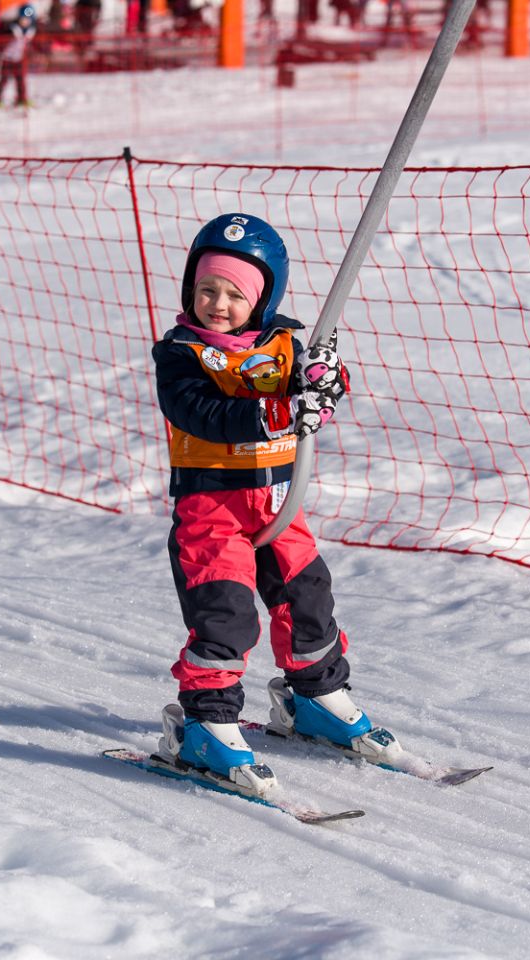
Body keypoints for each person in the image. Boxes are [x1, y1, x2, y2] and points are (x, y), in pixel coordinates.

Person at [150, 213, 397, 795]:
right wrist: (279, 412)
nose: (218, 304)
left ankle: (315, 695)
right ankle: (206, 724)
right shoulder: (181, 355)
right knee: (225, 613)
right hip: (212, 508)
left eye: (236, 294)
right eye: (207, 289)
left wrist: (326, 382)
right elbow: (201, 412)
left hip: (280, 501)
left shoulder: (284, 344)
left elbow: (311, 391)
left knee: (308, 597)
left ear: (263, 298)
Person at [0, 2, 34, 108]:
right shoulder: (12, 29)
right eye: (23, 19)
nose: (25, 21)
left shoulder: (30, 31)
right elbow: (0, 39)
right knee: (3, 79)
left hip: (19, 59)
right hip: (7, 58)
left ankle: (21, 98)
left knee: (20, 80)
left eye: (28, 19)